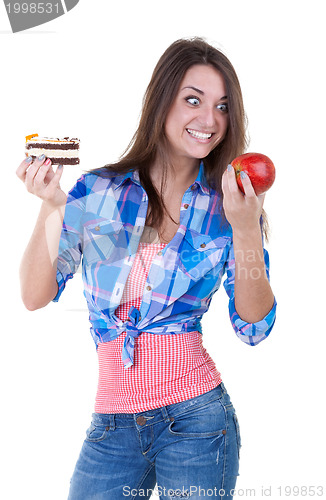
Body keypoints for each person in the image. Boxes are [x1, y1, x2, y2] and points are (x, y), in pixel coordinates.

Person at [16, 37, 277, 499]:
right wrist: (52, 205)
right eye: (192, 100)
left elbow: (253, 328)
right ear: (161, 101)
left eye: (221, 107)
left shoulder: (230, 206)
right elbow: (34, 295)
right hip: (112, 423)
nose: (209, 119)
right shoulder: (98, 191)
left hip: (197, 421)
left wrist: (245, 230)